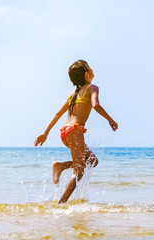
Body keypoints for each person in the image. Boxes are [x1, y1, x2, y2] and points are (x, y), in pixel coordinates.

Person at [34, 60, 118, 203]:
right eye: (90, 67)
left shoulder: (73, 93)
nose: (92, 69)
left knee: (92, 160)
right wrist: (110, 119)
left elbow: (58, 114)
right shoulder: (92, 88)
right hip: (75, 132)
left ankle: (62, 165)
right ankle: (61, 203)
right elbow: (96, 105)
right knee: (79, 171)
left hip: (65, 133)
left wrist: (46, 133)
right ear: (87, 73)